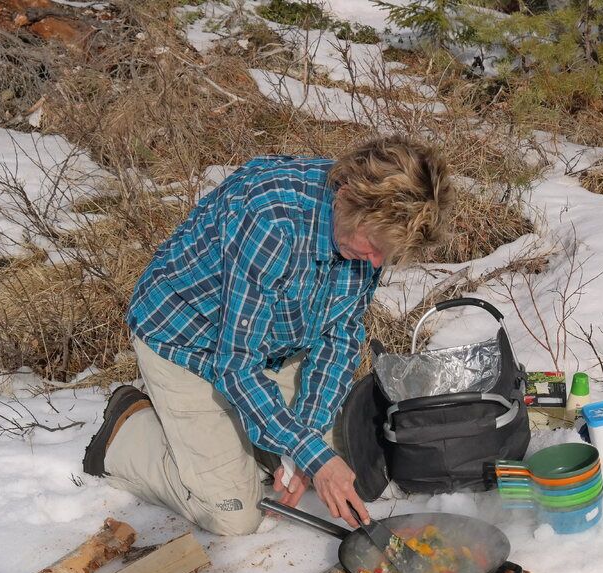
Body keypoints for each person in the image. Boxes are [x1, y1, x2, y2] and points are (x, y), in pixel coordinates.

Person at [81, 136, 454, 536]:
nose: (376, 262)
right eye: (374, 247)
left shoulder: (365, 233)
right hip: (187, 343)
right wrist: (309, 454)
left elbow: (340, 334)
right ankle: (127, 431)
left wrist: (305, 439)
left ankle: (248, 437)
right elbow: (237, 365)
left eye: (388, 254)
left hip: (270, 347)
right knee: (235, 515)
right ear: (348, 196)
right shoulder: (272, 220)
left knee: (344, 458)